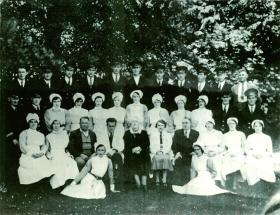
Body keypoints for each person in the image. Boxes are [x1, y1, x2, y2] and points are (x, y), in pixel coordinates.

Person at [18, 113, 54, 185]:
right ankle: (33, 188)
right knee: (33, 167)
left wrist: (42, 152)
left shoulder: (41, 134)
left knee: (45, 167)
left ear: (37, 123)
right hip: (28, 154)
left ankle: (41, 188)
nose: (33, 123)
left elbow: (44, 146)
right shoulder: (24, 133)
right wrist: (31, 154)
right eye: (31, 122)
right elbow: (22, 146)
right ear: (28, 123)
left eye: (35, 122)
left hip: (39, 154)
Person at [241, 120, 276, 186]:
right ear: (253, 127)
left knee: (265, 165)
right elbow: (246, 149)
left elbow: (270, 151)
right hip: (253, 155)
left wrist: (262, 155)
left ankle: (264, 181)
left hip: (263, 155)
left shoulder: (267, 137)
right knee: (249, 166)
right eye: (256, 126)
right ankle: (254, 183)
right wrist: (253, 154)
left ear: (262, 127)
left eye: (259, 126)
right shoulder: (250, 137)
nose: (258, 128)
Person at [46, 120, 79, 189]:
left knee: (72, 162)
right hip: (54, 154)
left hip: (63, 153)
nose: (56, 126)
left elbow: (66, 148)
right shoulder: (48, 136)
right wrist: (49, 156)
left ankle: (69, 182)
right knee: (59, 164)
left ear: (60, 125)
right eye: (54, 124)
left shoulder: (64, 135)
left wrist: (68, 154)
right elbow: (47, 149)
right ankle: (58, 184)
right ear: (52, 126)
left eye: (58, 124)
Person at [170, 117, 199, 186]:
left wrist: (195, 152)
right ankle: (180, 184)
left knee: (190, 165)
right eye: (183, 123)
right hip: (181, 154)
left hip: (192, 154)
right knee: (178, 163)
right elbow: (174, 145)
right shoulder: (177, 132)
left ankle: (190, 184)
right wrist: (177, 153)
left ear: (190, 124)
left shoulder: (195, 133)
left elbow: (198, 144)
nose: (184, 125)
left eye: (186, 123)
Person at [123, 118, 150, 190]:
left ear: (139, 124)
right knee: (132, 160)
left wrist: (139, 148)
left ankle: (144, 183)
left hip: (142, 151)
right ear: (130, 125)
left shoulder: (143, 132)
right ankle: (138, 183)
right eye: (133, 123)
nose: (134, 125)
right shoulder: (127, 133)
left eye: (136, 123)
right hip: (131, 152)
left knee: (145, 159)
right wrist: (133, 149)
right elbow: (126, 144)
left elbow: (146, 143)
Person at [220, 117, 246, 189]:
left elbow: (244, 146)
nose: (231, 125)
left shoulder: (241, 134)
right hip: (229, 153)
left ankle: (235, 183)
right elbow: (223, 147)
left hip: (238, 152)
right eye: (230, 124)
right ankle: (227, 182)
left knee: (237, 161)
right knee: (225, 161)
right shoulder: (225, 135)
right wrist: (226, 153)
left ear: (236, 124)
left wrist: (239, 153)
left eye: (233, 123)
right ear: (228, 125)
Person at [149, 120, 173, 187]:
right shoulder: (153, 134)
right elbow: (151, 145)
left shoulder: (168, 135)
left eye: (162, 125)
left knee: (165, 158)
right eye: (159, 125)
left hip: (165, 152)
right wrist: (156, 151)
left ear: (164, 126)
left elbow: (169, 145)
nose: (160, 127)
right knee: (157, 158)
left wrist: (163, 151)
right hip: (156, 152)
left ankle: (164, 178)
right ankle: (157, 178)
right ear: (156, 126)